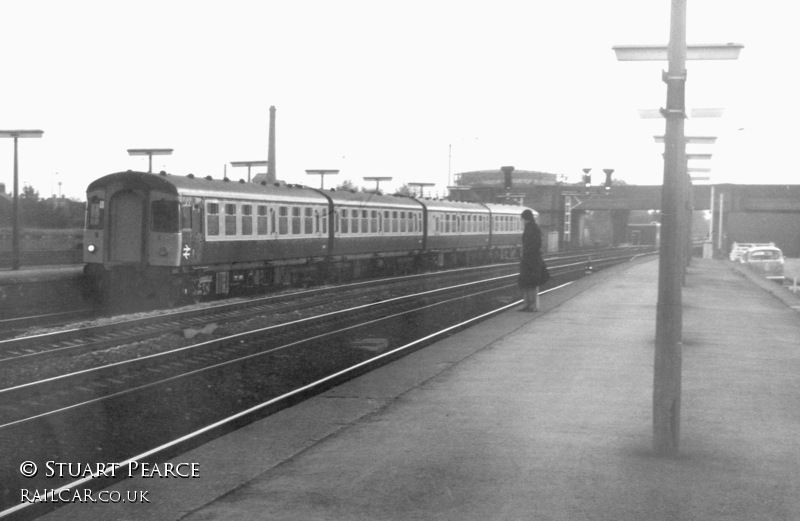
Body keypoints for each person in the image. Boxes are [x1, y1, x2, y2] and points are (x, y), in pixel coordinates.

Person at [518, 209, 549, 312]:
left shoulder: (532, 228)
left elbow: (534, 244)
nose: (522, 221)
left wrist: (527, 252)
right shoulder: (531, 227)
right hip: (530, 258)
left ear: (526, 218)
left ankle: (532, 305)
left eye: (523, 219)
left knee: (530, 282)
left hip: (532, 258)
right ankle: (529, 304)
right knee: (528, 282)